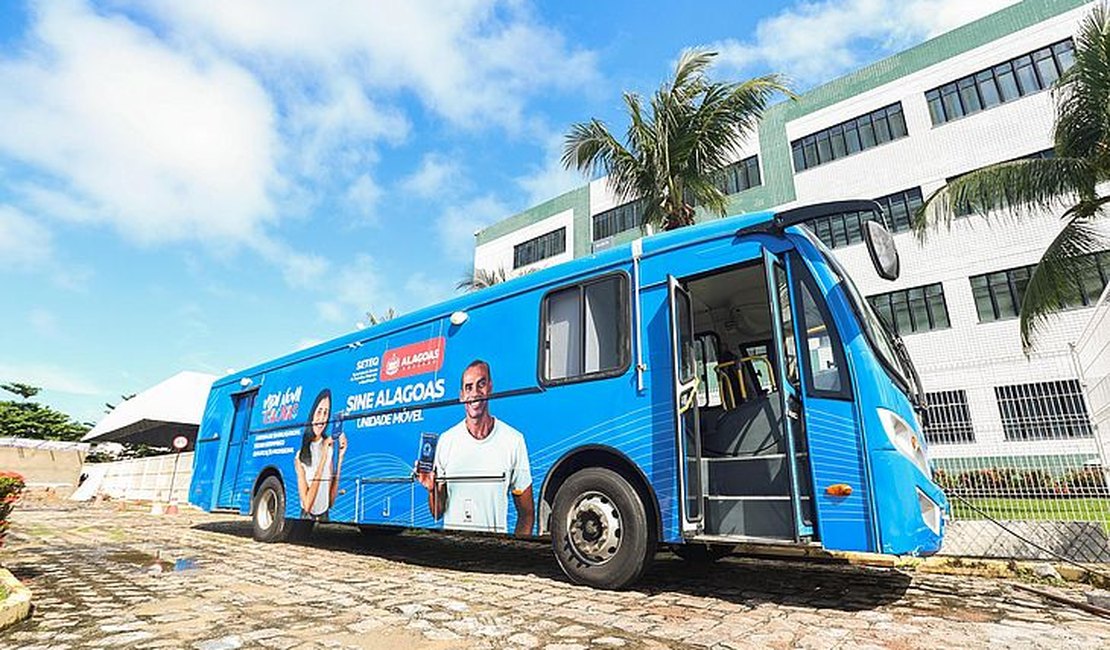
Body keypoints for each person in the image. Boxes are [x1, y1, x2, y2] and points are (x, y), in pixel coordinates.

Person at [418, 360, 534, 536]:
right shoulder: (446, 441)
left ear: (490, 387)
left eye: (481, 384)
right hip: (453, 550)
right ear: (461, 395)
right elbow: (437, 513)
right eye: (469, 387)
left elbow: (527, 514)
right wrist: (431, 488)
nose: (475, 393)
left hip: (493, 553)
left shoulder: (513, 440)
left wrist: (514, 551)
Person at [294, 388, 347, 520]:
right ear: (312, 415)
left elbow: (331, 502)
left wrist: (340, 458)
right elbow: (307, 506)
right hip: (307, 516)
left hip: (325, 515)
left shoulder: (329, 448)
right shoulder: (300, 456)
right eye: (319, 412)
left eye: (326, 413)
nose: (322, 418)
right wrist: (323, 456)